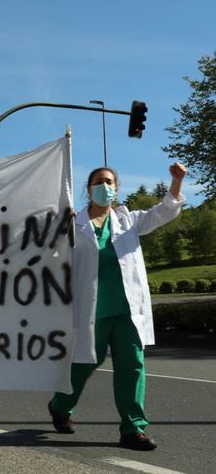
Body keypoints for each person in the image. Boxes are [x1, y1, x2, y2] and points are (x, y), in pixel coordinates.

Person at [47, 163, 187, 451]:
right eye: (99, 182)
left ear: (116, 188)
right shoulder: (74, 224)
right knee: (85, 365)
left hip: (128, 312)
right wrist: (59, 224)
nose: (104, 186)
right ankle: (60, 406)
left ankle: (133, 428)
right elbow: (50, 253)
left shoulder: (129, 220)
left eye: (109, 182)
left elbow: (163, 212)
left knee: (132, 367)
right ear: (88, 189)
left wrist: (176, 182)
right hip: (91, 311)